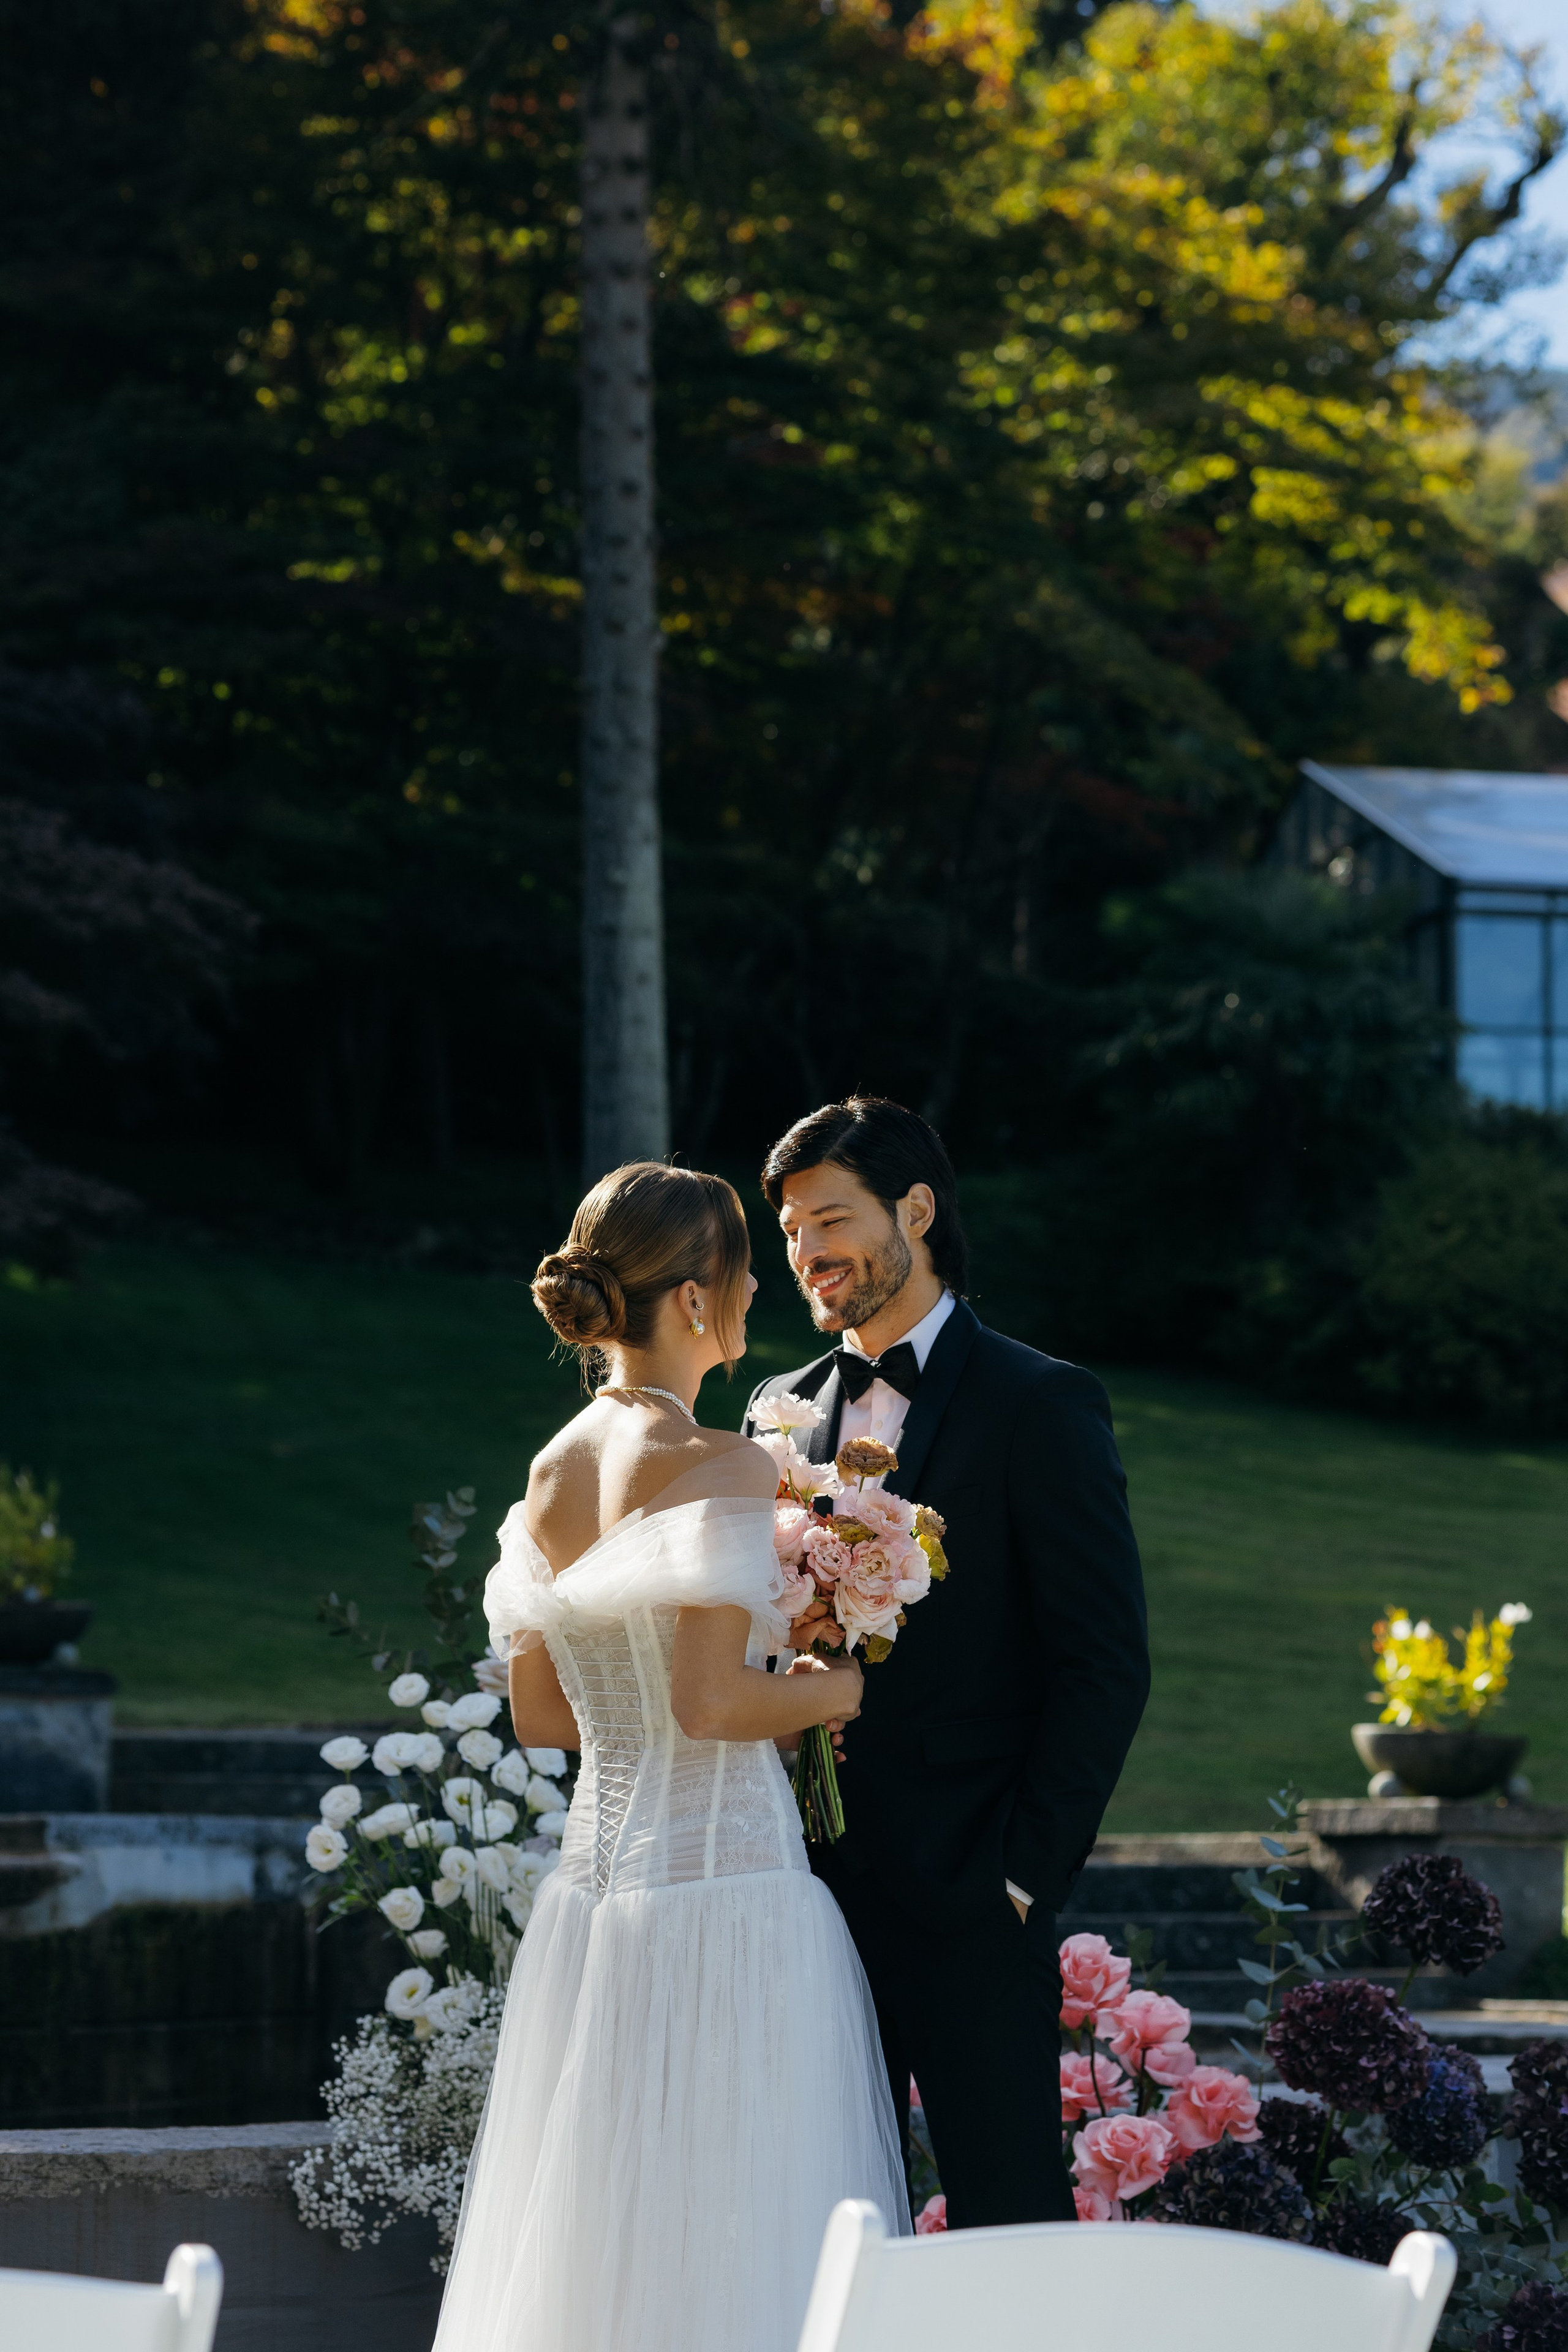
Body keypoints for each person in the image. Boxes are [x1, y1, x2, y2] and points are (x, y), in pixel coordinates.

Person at [432, 1160, 907, 2352]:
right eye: (745, 1267)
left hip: (592, 1906)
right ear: (697, 1299)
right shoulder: (721, 1463)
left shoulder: (550, 1472)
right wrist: (844, 1682)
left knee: (602, 2237)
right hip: (727, 1892)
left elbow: (541, 1718)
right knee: (745, 2229)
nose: (757, 1288)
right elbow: (708, 1703)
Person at [745, 1096, 1150, 2230]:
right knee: (820, 2220)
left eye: (831, 1218)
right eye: (790, 1232)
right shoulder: (773, 1415)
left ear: (915, 1210)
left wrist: (1023, 1878)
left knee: (1006, 2223)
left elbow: (1105, 1662)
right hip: (807, 1899)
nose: (807, 1251)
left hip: (978, 1898)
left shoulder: (1041, 1401)